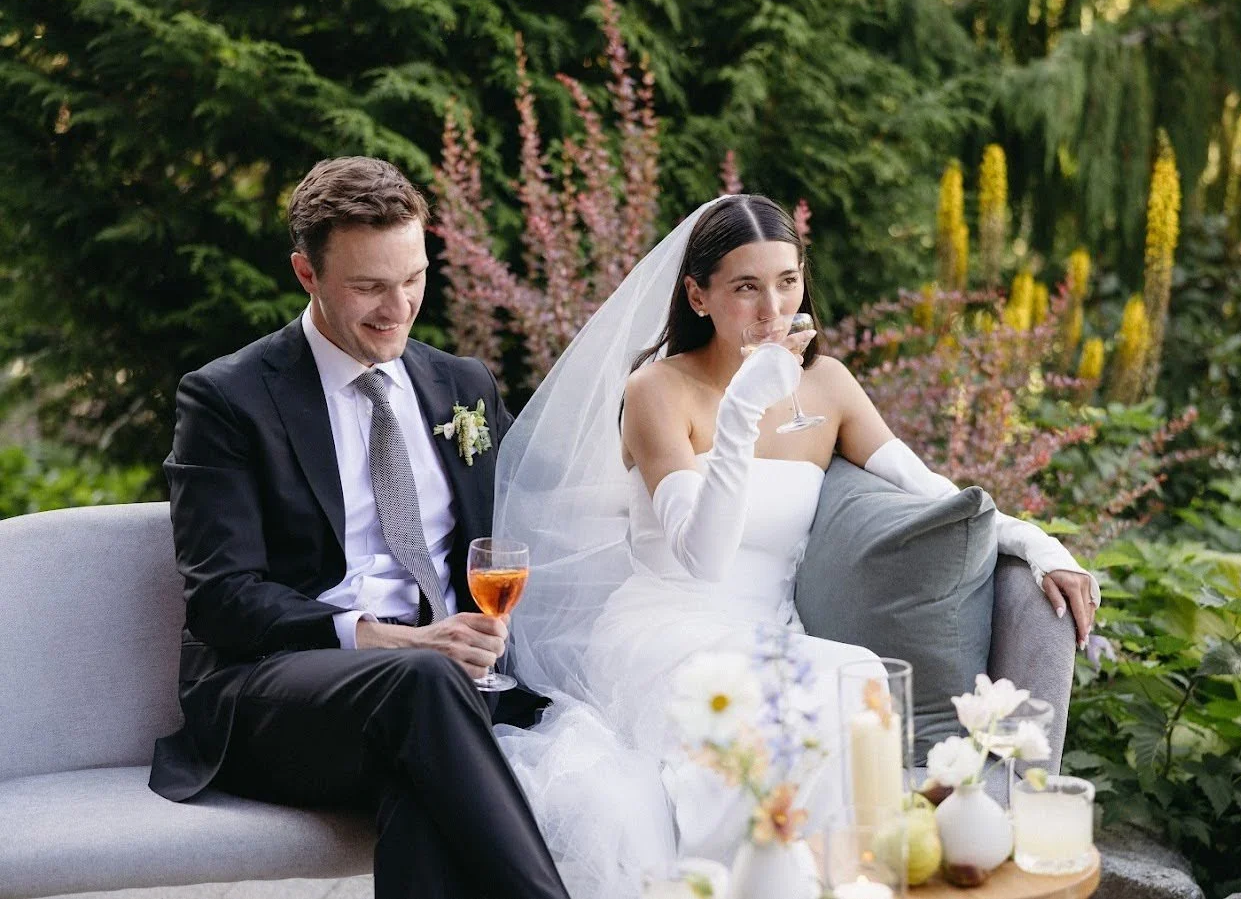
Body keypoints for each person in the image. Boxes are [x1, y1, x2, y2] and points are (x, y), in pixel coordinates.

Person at [494, 194, 1099, 897]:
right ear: (698, 295)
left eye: (786, 282)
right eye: (746, 287)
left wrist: (1039, 543)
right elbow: (703, 556)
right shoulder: (658, 390)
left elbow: (930, 489)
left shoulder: (828, 385)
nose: (772, 310)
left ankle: (833, 880)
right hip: (663, 627)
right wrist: (746, 404)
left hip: (771, 632)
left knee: (856, 679)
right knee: (808, 692)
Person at [149, 156, 571, 899]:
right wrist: (392, 638)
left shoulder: (461, 384)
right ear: (306, 275)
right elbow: (223, 598)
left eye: (413, 278)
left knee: (422, 786)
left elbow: (544, 512)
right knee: (424, 686)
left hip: (446, 694)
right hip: (278, 693)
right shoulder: (227, 399)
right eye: (369, 286)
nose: (398, 307)